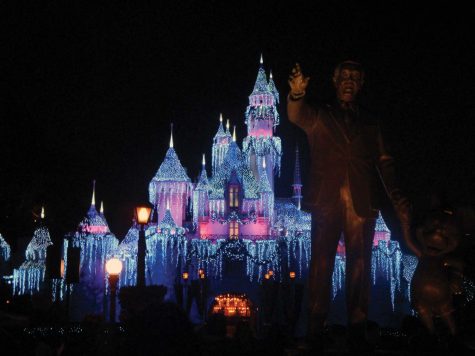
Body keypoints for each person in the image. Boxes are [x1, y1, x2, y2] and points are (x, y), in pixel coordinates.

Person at [287, 61, 420, 346]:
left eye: (355, 78)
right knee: (321, 264)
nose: (349, 81)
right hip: (326, 201)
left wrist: (395, 194)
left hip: (362, 203)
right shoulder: (321, 115)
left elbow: (385, 162)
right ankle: (314, 328)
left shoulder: (370, 123)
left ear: (361, 84)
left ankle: (358, 328)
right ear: (334, 80)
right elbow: (297, 115)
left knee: (360, 264)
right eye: (344, 76)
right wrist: (297, 95)